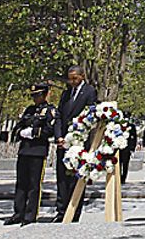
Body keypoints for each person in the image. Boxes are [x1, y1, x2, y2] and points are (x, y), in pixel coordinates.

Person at [6, 83, 57, 226]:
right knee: (21, 183)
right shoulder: (29, 110)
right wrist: (21, 132)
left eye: (38, 95)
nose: (36, 98)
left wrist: (34, 133)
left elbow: (49, 130)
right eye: (34, 96)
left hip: (38, 151)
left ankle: (30, 215)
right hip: (24, 150)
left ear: (45, 95)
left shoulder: (49, 111)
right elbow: (18, 126)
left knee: (34, 185)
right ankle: (18, 213)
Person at [53, 66, 98, 222]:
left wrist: (74, 136)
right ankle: (61, 211)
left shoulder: (89, 92)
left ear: (82, 76)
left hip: (79, 141)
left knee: (75, 178)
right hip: (63, 142)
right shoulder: (66, 94)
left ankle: (73, 212)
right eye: (69, 78)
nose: (72, 81)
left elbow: (89, 115)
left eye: (75, 78)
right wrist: (59, 136)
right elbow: (59, 116)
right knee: (61, 178)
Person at [119, 118, 138, 184]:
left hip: (127, 148)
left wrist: (132, 148)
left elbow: (134, 138)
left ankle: (123, 178)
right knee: (118, 164)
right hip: (119, 147)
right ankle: (118, 177)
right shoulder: (119, 125)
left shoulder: (131, 126)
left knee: (125, 164)